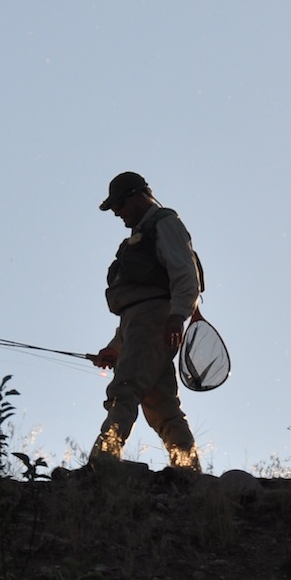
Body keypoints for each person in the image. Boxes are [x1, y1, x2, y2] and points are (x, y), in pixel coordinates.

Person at [89, 171, 203, 472]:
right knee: (161, 406)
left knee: (125, 389)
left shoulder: (164, 223)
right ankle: (188, 470)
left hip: (154, 321)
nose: (117, 213)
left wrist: (177, 317)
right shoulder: (144, 232)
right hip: (141, 324)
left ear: (138, 196)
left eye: (119, 205)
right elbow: (134, 308)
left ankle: (104, 460)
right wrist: (116, 346)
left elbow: (185, 276)